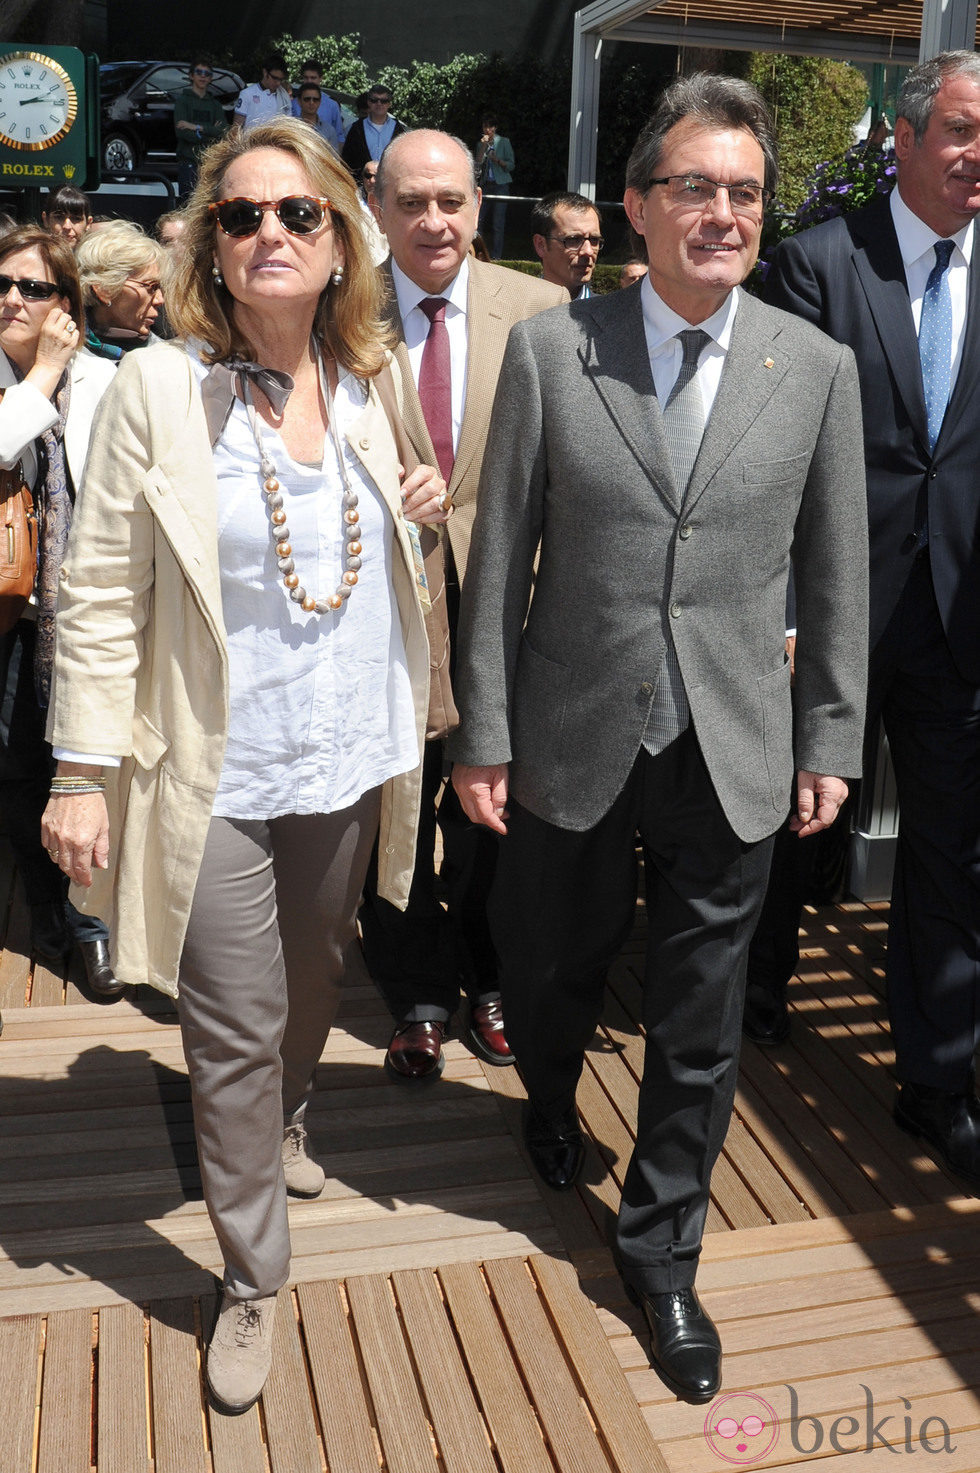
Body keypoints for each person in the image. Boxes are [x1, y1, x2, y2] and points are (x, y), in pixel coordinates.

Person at [449, 74, 868, 1403]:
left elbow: (838, 571)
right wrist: (486, 735)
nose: (723, 212)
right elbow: (499, 550)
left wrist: (831, 738)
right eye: (695, 186)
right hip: (577, 727)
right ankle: (553, 1097)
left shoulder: (817, 369)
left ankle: (665, 1252)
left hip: (734, 738)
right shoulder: (551, 352)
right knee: (558, 963)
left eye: (744, 191)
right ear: (636, 205)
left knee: (700, 1017)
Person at [40, 116, 445, 1413]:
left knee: (318, 972)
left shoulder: (371, 376)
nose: (269, 233)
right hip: (209, 762)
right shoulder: (158, 388)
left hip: (350, 746)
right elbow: (96, 587)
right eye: (241, 215)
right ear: (211, 245)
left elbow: (384, 544)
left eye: (298, 215)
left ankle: (283, 1122)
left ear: (339, 243)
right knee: (231, 1021)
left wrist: (418, 516)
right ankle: (252, 1270)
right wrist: (77, 769)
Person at [749, 50, 980, 1189]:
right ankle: (754, 990)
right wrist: (786, 607)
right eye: (958, 129)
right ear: (902, 137)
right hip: (831, 615)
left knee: (949, 854)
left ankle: (934, 1077)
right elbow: (767, 455)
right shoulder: (815, 267)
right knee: (798, 825)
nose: (974, 155)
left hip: (960, 625)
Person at [358, 129, 567, 1081]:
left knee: (491, 813)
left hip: (507, 613)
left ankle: (487, 975)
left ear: (481, 206)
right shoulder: (337, 311)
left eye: (451, 201)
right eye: (412, 202)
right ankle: (417, 994)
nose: (434, 221)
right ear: (380, 205)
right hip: (381, 618)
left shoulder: (545, 309)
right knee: (394, 808)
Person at [0, 227, 119, 996]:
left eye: (32, 288)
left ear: (69, 305)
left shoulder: (110, 383)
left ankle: (96, 923)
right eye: (1, 284)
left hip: (87, 615)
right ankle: (46, 908)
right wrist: (39, 375)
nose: (11, 298)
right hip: (6, 619)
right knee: (18, 771)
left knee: (90, 767)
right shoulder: (35, 376)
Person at [75, 223, 167, 360]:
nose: (160, 300)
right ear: (104, 290)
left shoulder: (169, 360)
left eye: (161, 287)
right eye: (151, 287)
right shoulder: (64, 360)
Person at [531, 191, 604, 298]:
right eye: (573, 240)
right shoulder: (516, 311)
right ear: (541, 245)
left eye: (594, 240)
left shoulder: (613, 313)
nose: (588, 251)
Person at [174, 58, 228, 199]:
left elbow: (223, 131)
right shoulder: (182, 101)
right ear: (192, 75)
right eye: (199, 72)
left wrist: (195, 127)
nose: (203, 76)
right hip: (188, 164)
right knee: (187, 208)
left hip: (210, 165)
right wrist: (210, 134)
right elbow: (182, 132)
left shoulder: (215, 104)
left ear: (210, 78)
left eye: (207, 73)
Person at [341, 85, 405, 175]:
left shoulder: (399, 130)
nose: (379, 104)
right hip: (362, 185)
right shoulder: (356, 129)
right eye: (374, 100)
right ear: (369, 102)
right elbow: (347, 160)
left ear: (389, 104)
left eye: (384, 101)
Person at [475, 114, 514, 260]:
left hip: (500, 185)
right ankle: (480, 254)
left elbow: (511, 165)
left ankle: (497, 257)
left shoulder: (504, 142)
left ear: (495, 128)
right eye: (485, 126)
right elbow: (477, 163)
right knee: (478, 222)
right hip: (485, 185)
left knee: (498, 223)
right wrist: (483, 146)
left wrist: (498, 160)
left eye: (490, 127)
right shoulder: (481, 144)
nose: (487, 129)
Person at [231, 52, 291, 137]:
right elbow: (236, 128)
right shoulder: (247, 94)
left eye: (281, 79)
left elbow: (288, 126)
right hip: (251, 145)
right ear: (265, 72)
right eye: (275, 78)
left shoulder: (284, 96)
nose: (278, 83)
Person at [290, 59, 345, 151]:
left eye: (313, 78)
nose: (309, 81)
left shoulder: (332, 105)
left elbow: (339, 136)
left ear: (320, 78)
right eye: (306, 78)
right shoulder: (294, 103)